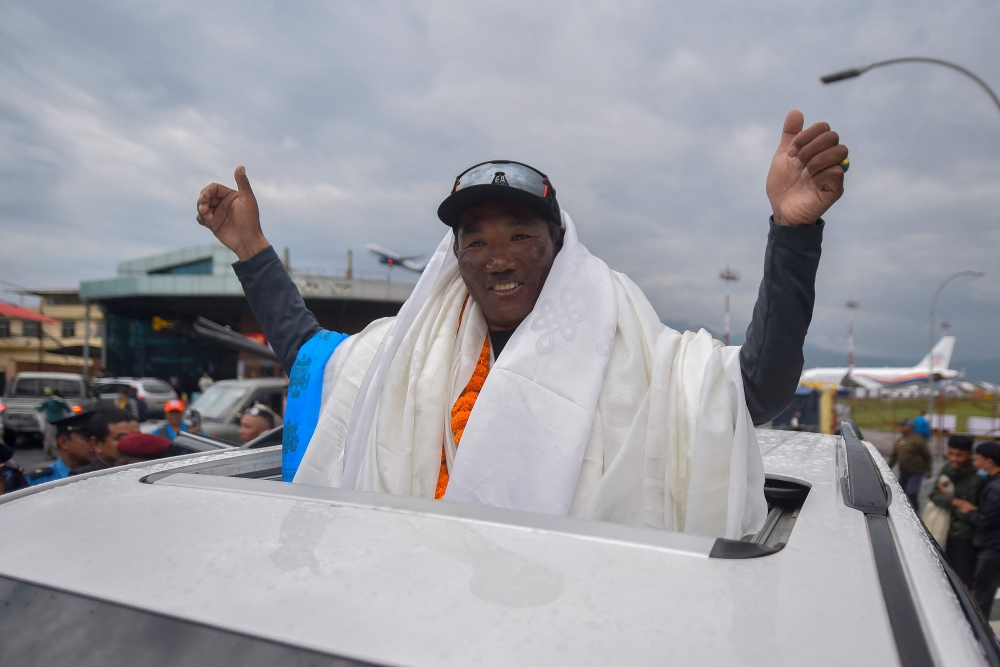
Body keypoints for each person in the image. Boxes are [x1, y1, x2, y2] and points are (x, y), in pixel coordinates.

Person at [198, 109, 848, 538]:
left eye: (519, 234)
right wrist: (251, 248)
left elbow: (756, 388)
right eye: (475, 240)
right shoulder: (407, 355)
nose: (498, 258)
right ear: (455, 257)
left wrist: (794, 233)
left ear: (559, 245)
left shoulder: (639, 356)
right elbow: (311, 352)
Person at [952, 442, 1000, 616]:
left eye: (978, 457)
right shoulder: (991, 482)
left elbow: (986, 520)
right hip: (991, 544)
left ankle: (978, 638)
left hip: (992, 547)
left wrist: (967, 511)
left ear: (989, 462)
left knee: (981, 595)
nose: (975, 461)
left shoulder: (996, 488)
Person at [928, 435, 982, 587]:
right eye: (951, 454)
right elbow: (934, 494)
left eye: (959, 455)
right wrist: (955, 502)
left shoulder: (977, 476)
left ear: (970, 455)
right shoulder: (947, 469)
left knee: (964, 581)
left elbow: (974, 510)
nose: (954, 459)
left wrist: (959, 507)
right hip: (944, 531)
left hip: (965, 536)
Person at [25, 411, 96, 485]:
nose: (94, 444)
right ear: (63, 442)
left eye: (96, 439)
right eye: (86, 439)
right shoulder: (39, 481)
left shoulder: (101, 475)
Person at [70, 408, 138, 475]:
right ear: (96, 444)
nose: (132, 443)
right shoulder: (82, 478)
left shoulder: (145, 468)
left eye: (137, 436)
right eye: (122, 438)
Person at [888, 419, 932, 510]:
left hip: (916, 472)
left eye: (903, 426)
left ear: (910, 427)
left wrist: (929, 469)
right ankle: (903, 511)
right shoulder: (900, 440)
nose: (901, 428)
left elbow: (927, 455)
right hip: (904, 472)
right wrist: (887, 468)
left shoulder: (918, 439)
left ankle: (915, 512)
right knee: (901, 494)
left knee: (911, 492)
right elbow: (894, 456)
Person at [36, 387, 71, 459]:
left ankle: (50, 453)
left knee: (49, 438)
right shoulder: (62, 401)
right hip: (60, 422)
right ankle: (59, 453)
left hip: (50, 421)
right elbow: (68, 410)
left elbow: (40, 409)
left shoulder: (48, 401)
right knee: (59, 437)